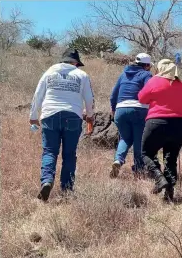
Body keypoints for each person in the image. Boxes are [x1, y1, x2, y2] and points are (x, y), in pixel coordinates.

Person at [29, 48, 94, 201]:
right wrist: (90, 116)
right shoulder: (82, 75)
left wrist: (33, 116)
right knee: (69, 154)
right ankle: (66, 189)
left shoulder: (50, 71)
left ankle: (46, 181)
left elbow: (38, 94)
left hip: (50, 115)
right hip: (73, 116)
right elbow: (89, 99)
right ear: (76, 62)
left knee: (50, 151)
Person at [138, 59, 182, 201]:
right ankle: (169, 195)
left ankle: (159, 178)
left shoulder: (154, 81)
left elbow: (142, 98)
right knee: (171, 159)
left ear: (159, 69)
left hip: (156, 123)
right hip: (179, 125)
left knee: (146, 153)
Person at [109, 53, 153, 178]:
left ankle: (118, 160)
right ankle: (139, 170)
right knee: (139, 140)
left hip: (120, 110)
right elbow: (149, 91)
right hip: (139, 110)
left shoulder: (123, 74)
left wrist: (113, 110)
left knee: (125, 138)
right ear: (146, 65)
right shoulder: (146, 74)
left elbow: (113, 95)